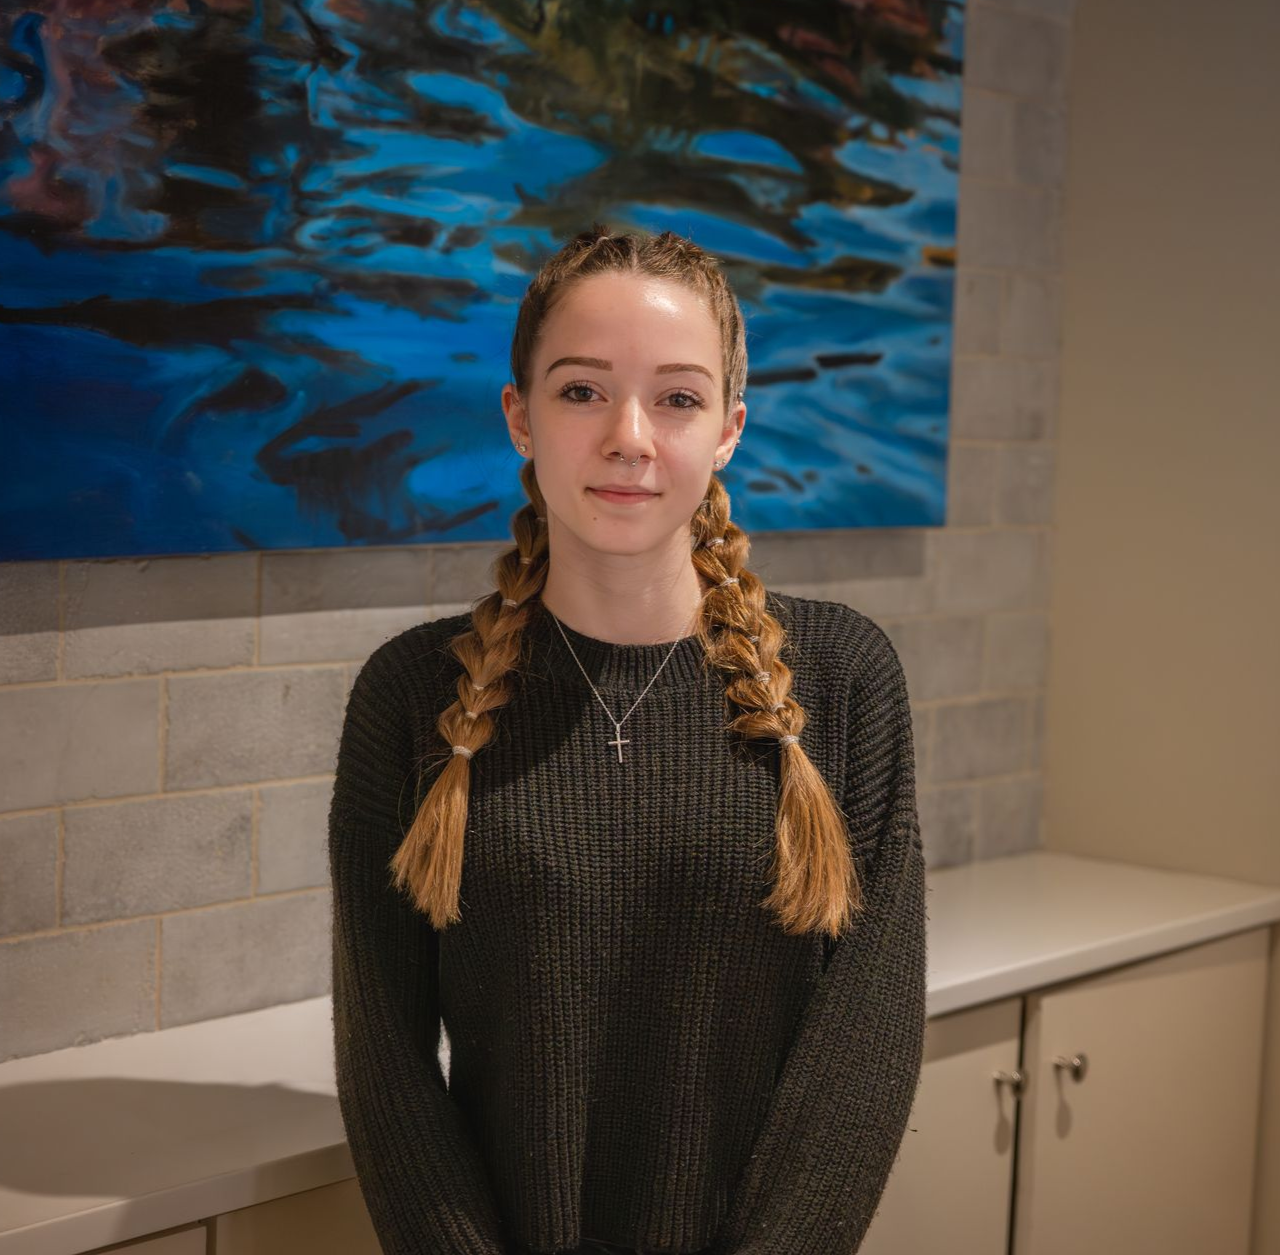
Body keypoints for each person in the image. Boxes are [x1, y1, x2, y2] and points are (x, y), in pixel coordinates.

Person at [328, 225, 928, 1255]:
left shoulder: (843, 680)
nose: (630, 437)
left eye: (678, 397)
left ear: (728, 428)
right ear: (518, 415)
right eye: (580, 390)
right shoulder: (410, 695)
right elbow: (383, 1065)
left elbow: (863, 1051)